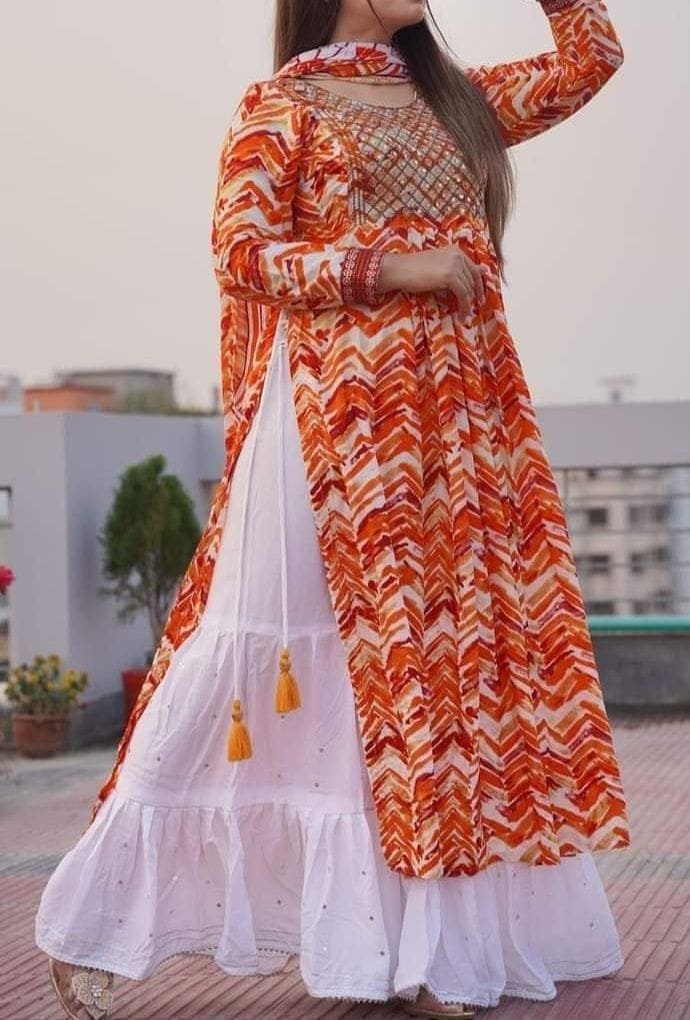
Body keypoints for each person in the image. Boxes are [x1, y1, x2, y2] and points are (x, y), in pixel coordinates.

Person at [36, 1, 630, 1017]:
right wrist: (391, 265)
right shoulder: (285, 106)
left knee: (431, 678)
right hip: (335, 423)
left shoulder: (455, 100)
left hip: (457, 431)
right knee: (256, 654)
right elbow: (241, 253)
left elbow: (591, 57)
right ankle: (90, 930)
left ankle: (412, 952)